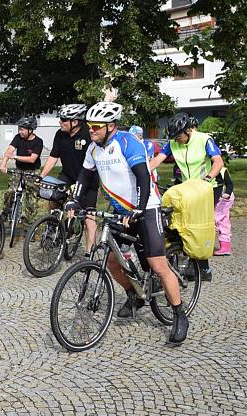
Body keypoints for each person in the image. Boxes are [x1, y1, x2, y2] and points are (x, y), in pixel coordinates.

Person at [68, 101, 188, 345]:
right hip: (121, 209)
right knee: (112, 261)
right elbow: (84, 176)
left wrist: (139, 208)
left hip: (147, 206)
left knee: (157, 264)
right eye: (89, 126)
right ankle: (134, 294)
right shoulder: (93, 149)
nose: (90, 130)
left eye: (96, 126)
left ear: (111, 126)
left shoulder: (127, 142)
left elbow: (143, 177)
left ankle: (179, 313)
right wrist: (73, 201)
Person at [149, 112, 224, 281]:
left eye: (179, 136)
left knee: (199, 225)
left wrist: (207, 179)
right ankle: (184, 259)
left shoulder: (204, 139)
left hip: (208, 187)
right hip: (188, 189)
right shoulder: (173, 143)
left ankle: (204, 269)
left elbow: (218, 162)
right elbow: (156, 161)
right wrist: (142, 172)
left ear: (188, 131)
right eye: (174, 137)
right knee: (180, 222)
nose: (177, 140)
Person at [39, 104, 98, 256]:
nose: (60, 122)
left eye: (64, 119)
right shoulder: (60, 134)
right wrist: (42, 175)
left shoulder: (88, 135)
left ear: (76, 122)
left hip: (88, 180)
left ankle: (89, 254)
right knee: (51, 194)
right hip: (67, 175)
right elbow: (53, 157)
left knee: (89, 217)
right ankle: (53, 226)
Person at [0, 116, 43, 225]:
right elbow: (9, 150)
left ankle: (28, 225)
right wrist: (3, 164)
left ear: (30, 130)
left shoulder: (38, 142)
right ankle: (6, 213)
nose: (20, 131)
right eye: (19, 129)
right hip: (18, 170)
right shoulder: (18, 138)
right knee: (10, 192)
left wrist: (15, 157)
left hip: (33, 172)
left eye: (22, 129)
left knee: (32, 200)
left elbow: (32, 159)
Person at [213, 165, 234, 256]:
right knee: (223, 220)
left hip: (223, 199)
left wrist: (227, 193)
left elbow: (230, 184)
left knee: (215, 219)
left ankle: (206, 244)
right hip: (216, 197)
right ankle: (225, 247)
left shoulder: (222, 169)